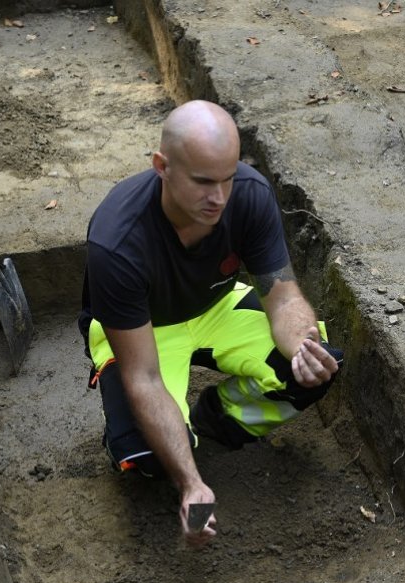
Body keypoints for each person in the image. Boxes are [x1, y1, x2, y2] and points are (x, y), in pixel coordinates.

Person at [78, 100, 343, 548]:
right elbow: (143, 377)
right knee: (145, 457)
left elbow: (282, 297)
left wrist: (302, 344)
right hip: (142, 331)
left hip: (216, 307)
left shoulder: (251, 194)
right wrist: (190, 485)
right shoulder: (117, 242)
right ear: (162, 167)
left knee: (313, 368)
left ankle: (214, 421)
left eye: (226, 178)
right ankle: (174, 451)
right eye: (202, 182)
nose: (218, 197)